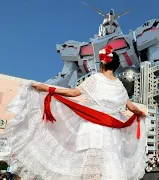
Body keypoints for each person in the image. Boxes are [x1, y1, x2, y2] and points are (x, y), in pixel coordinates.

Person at [0, 45, 147, 180]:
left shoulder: (96, 79)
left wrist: (45, 88)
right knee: (109, 168)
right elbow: (132, 108)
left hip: (93, 129)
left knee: (91, 172)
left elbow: (72, 92)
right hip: (114, 134)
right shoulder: (120, 86)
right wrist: (142, 114)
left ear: (103, 64)